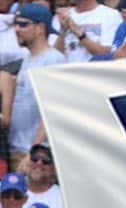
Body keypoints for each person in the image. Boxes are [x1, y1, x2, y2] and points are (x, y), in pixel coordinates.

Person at [0, 4, 64, 165]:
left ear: (40, 28)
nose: (16, 29)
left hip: (36, 156)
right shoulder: (27, 59)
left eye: (23, 24)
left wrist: (34, 152)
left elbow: (52, 110)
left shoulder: (53, 60)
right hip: (17, 148)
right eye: (15, 24)